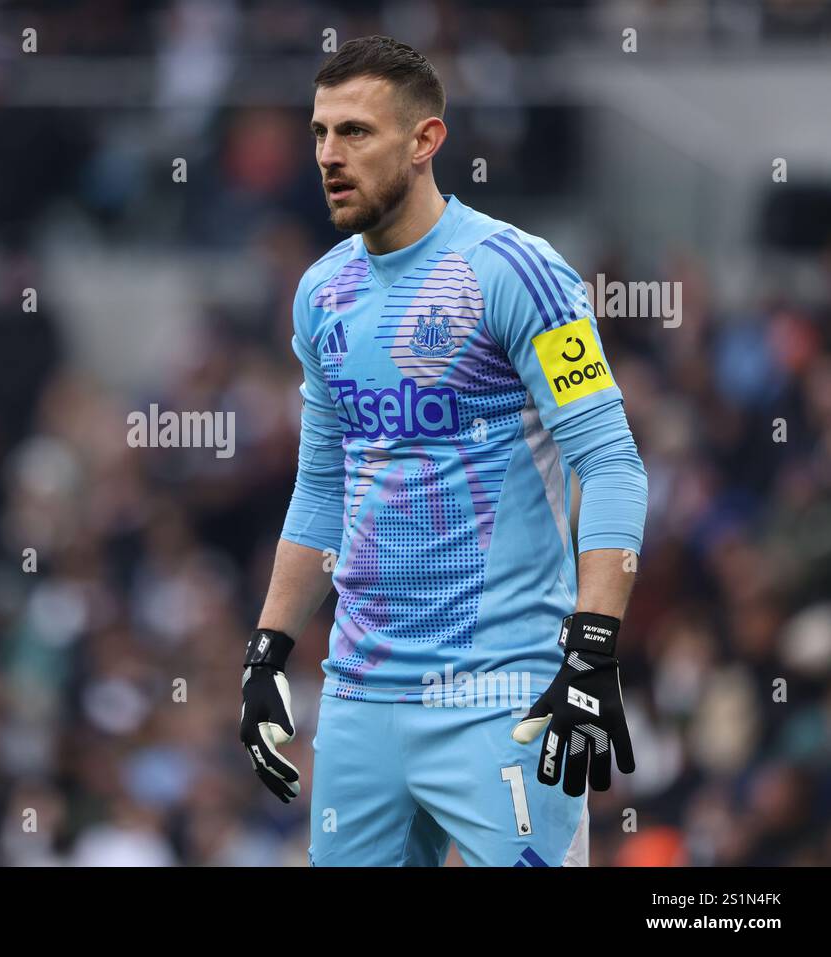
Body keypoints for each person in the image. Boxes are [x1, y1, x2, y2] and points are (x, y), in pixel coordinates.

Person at [238, 36, 648, 867]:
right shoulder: (324, 292)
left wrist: (593, 647)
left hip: (503, 694)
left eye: (355, 132)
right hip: (357, 699)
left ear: (425, 141)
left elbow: (610, 463)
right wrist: (268, 648)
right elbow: (322, 484)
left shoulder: (519, 272)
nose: (327, 155)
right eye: (319, 133)